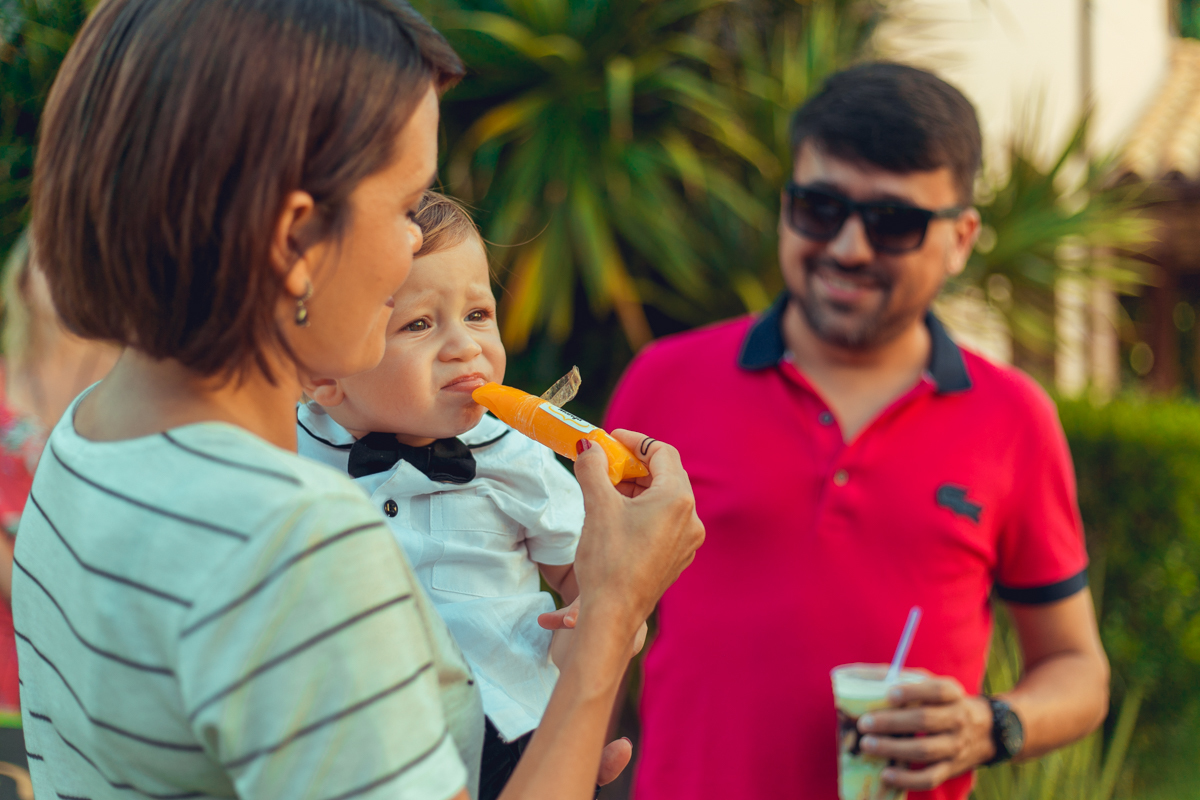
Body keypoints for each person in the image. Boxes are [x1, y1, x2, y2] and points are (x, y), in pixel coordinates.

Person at [14, 2, 703, 800]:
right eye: (406, 206)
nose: (419, 242)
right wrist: (612, 620)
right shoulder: (296, 544)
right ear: (295, 241)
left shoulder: (83, 439)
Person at [606, 63, 1109, 800]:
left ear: (963, 238)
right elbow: (597, 628)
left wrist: (989, 723)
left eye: (893, 222)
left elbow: (1078, 669)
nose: (848, 248)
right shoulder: (664, 382)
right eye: (819, 208)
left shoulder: (1014, 418)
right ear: (786, 207)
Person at [296, 192, 635, 799]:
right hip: (360, 748)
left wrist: (596, 615)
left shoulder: (517, 455)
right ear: (324, 374)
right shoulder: (286, 453)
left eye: (478, 314)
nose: (464, 346)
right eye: (419, 325)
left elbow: (591, 578)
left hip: (507, 734)